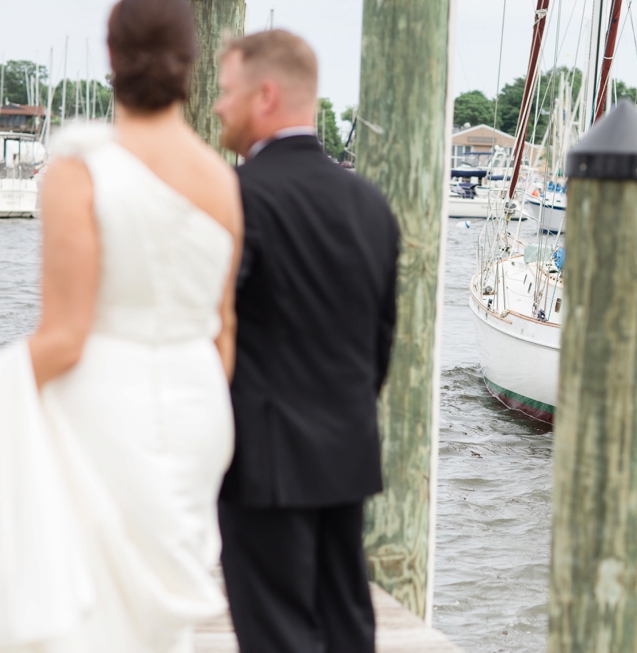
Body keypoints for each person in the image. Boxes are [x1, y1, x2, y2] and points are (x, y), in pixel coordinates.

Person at [0, 0, 243, 650]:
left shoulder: (78, 173)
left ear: (110, 58)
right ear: (193, 65)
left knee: (100, 613)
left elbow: (65, 336)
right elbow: (224, 335)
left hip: (106, 400)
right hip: (199, 406)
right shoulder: (221, 181)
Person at [213, 30, 399, 653]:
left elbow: (214, 334)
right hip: (345, 452)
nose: (217, 106)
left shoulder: (238, 198)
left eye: (226, 91)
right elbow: (380, 346)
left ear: (265, 95)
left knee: (276, 635)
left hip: (263, 462)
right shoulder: (370, 204)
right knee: (349, 625)